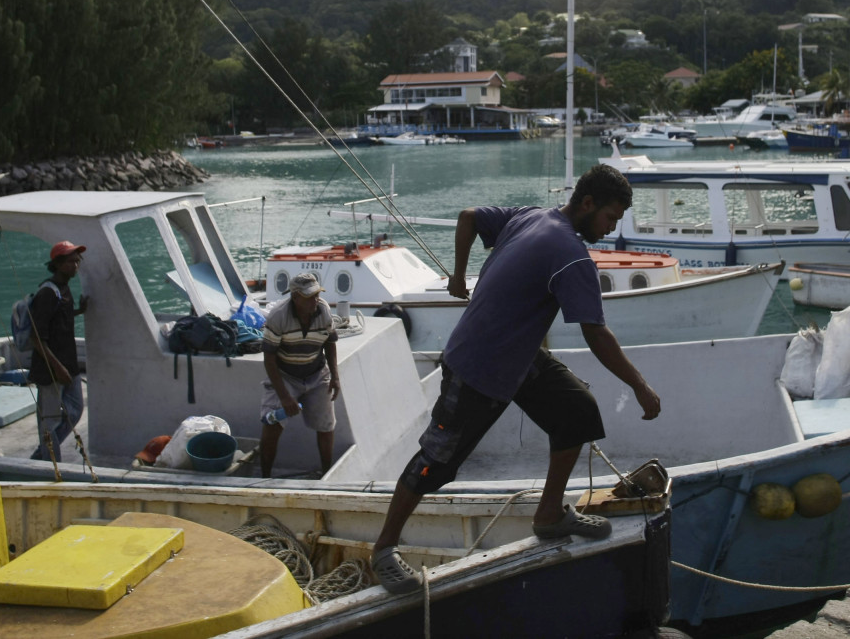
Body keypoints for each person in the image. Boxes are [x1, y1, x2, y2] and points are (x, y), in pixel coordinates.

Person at [370, 163, 661, 594]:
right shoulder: (571, 256)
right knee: (435, 462)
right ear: (587, 203)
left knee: (577, 410)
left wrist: (457, 274)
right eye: (609, 217)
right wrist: (639, 385)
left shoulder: (532, 215)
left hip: (519, 358)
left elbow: (468, 216)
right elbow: (596, 332)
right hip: (478, 366)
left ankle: (548, 517)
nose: (611, 228)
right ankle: (384, 550)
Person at [258, 271, 341, 477]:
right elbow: (269, 359)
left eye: (316, 294)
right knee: (272, 424)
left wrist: (335, 377)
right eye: (309, 296)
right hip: (285, 375)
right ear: (295, 297)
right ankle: (265, 477)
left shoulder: (323, 311)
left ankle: (326, 473)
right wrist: (285, 397)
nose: (315, 300)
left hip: (317, 373)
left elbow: (330, 343)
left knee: (326, 426)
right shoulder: (278, 317)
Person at [27, 241, 88, 462]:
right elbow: (36, 337)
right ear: (58, 264)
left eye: (77, 261)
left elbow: (59, 319)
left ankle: (41, 456)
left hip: (68, 365)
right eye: (71, 261)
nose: (76, 266)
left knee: (75, 411)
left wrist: (79, 310)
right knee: (50, 420)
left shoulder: (64, 288)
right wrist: (58, 368)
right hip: (51, 369)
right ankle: (51, 463)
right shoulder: (47, 293)